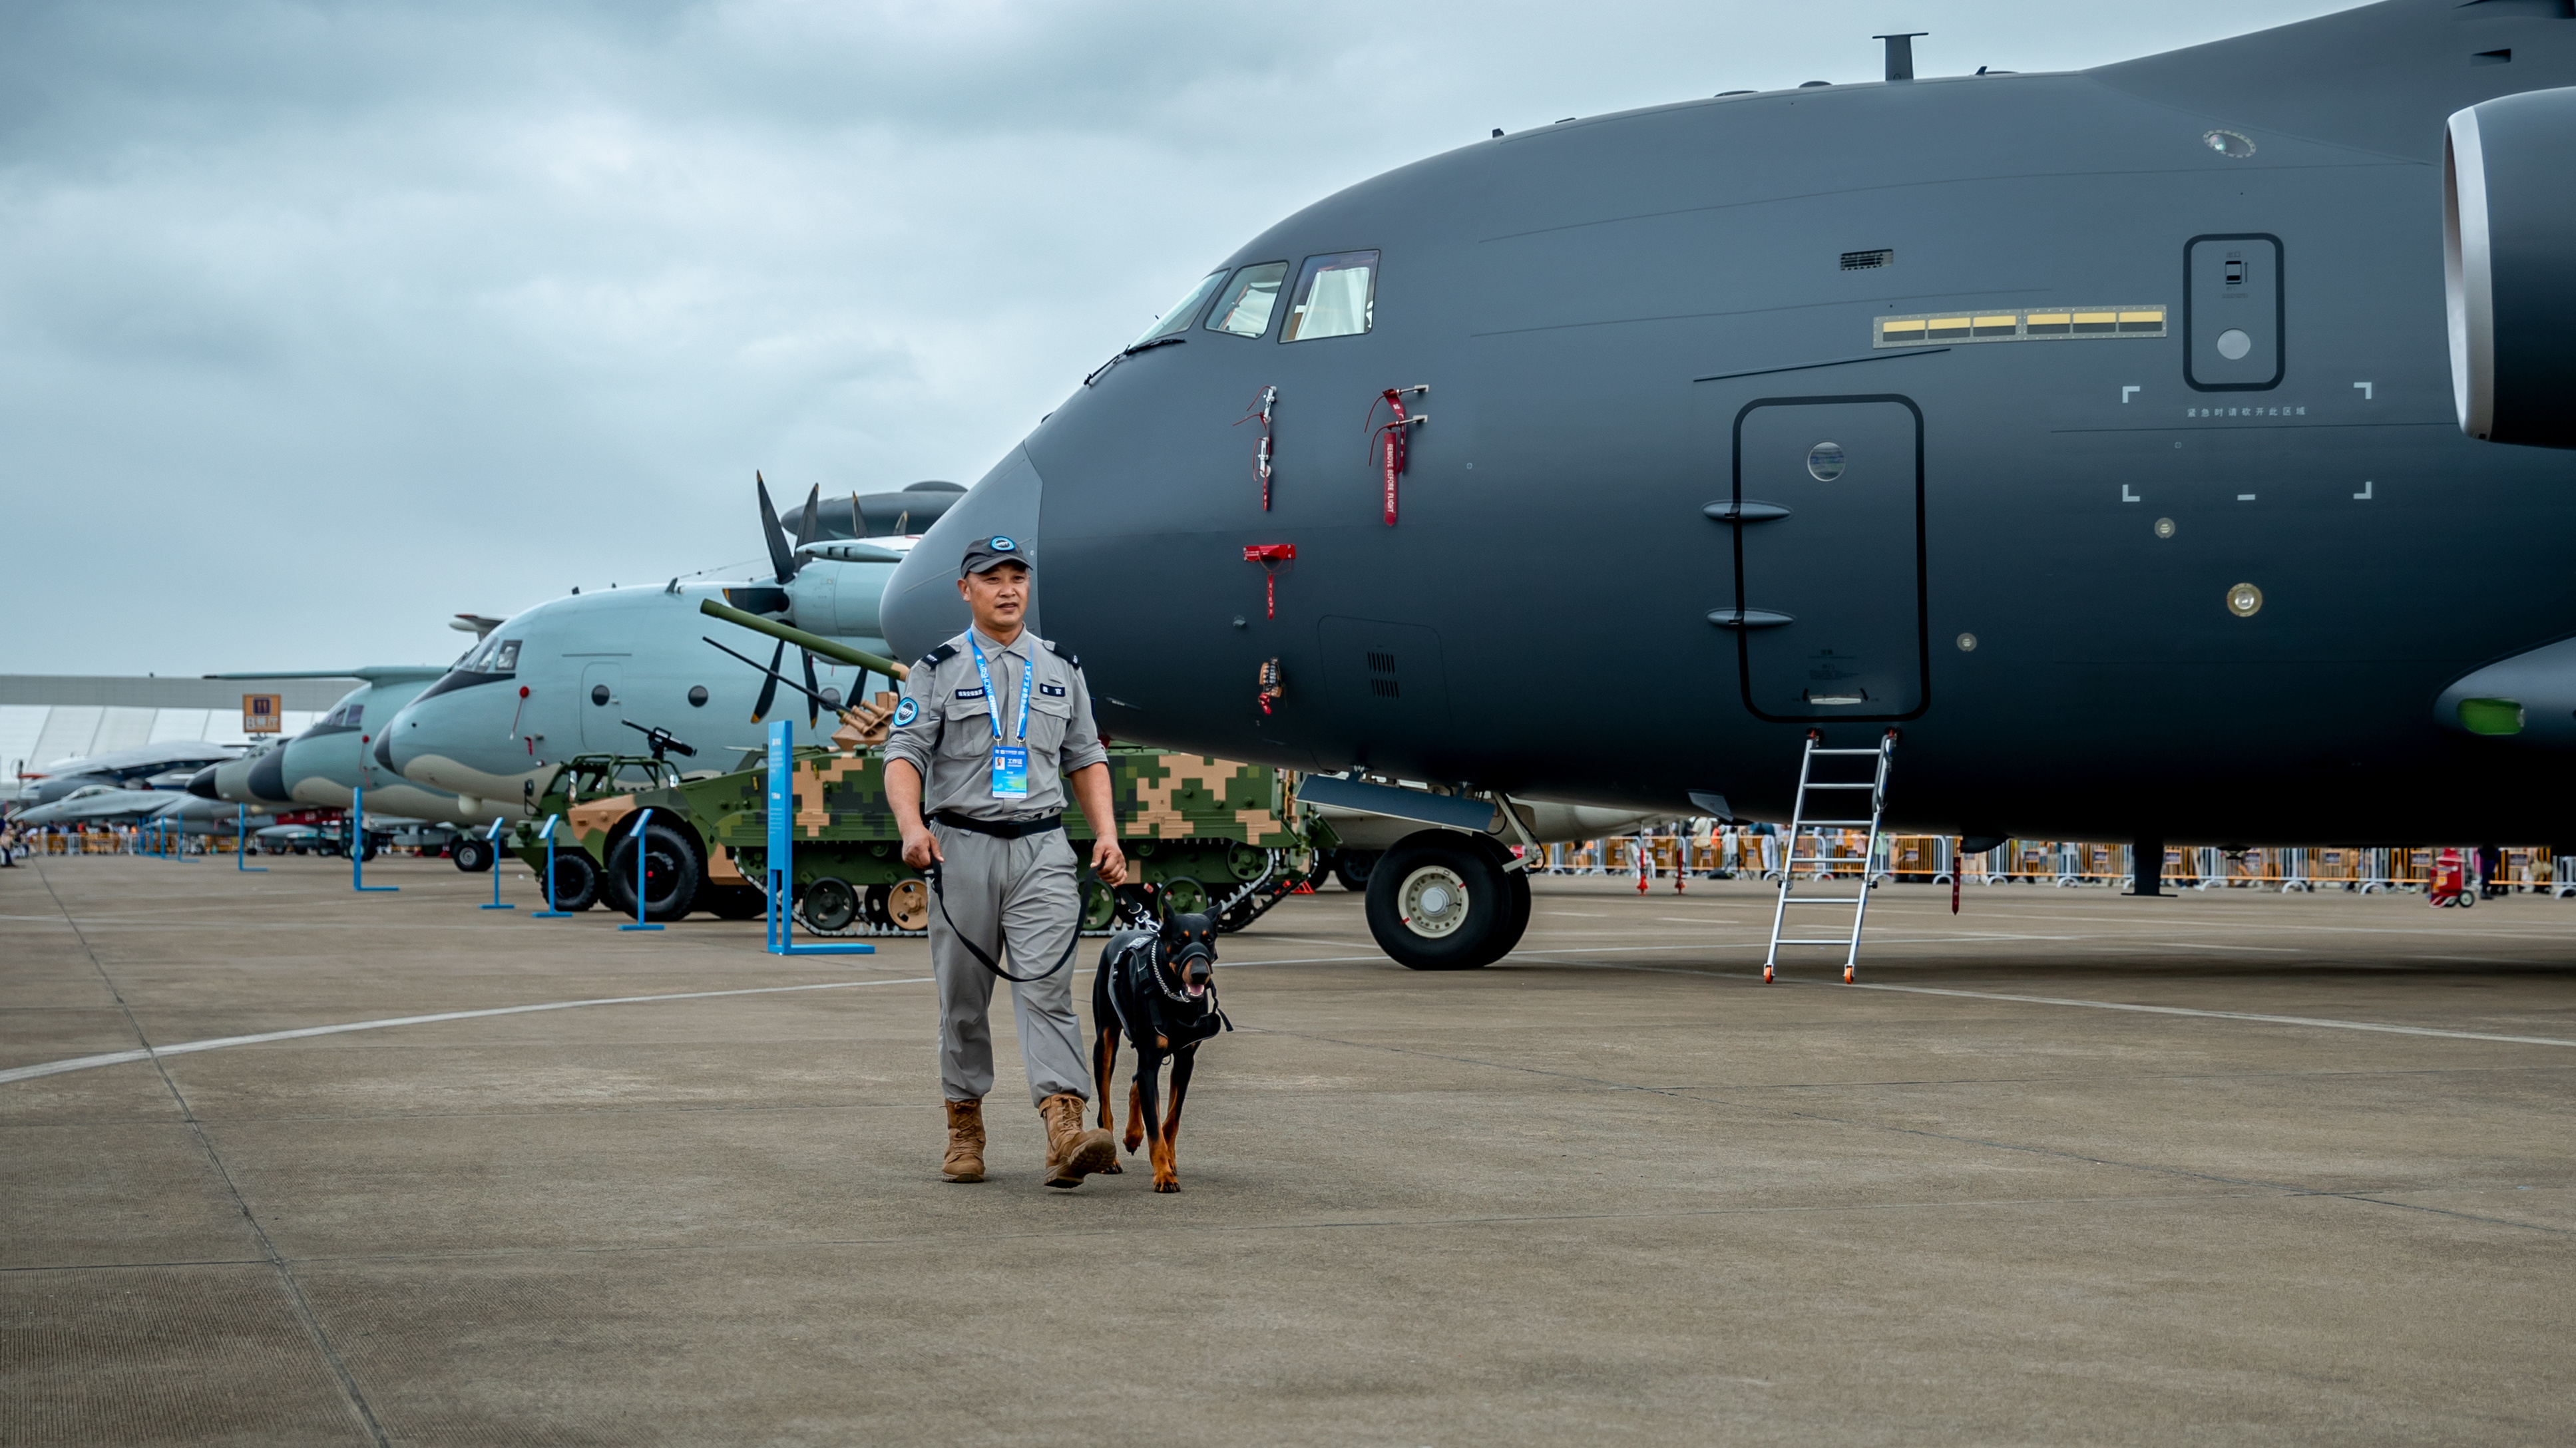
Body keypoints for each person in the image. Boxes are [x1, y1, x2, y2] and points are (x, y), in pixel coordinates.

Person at [883, 536, 1129, 1188]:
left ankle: (1065, 1130)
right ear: (965, 589)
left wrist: (1107, 834)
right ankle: (964, 1126)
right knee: (963, 999)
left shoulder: (1061, 667)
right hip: (958, 846)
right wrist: (912, 826)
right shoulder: (936, 669)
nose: (1008, 587)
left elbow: (1087, 756)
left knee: (1048, 988)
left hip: (1043, 847)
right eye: (991, 577)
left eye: (1017, 575)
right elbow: (903, 752)